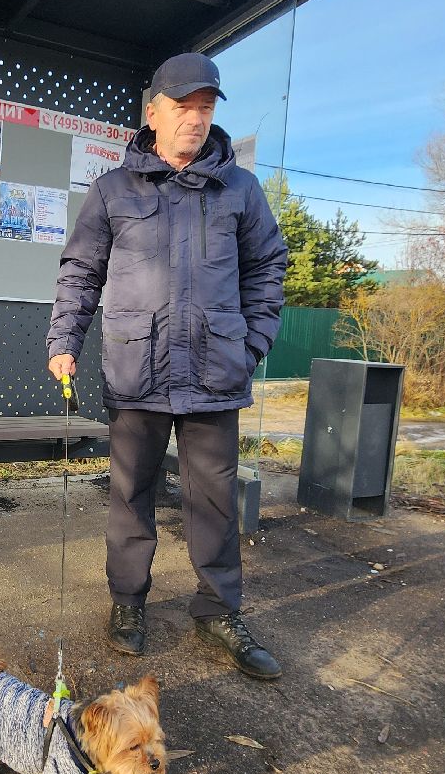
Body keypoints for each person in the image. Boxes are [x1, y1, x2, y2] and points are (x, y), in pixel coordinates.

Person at [46, 52, 288, 679]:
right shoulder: (112, 191)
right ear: (152, 112)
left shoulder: (241, 190)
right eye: (183, 107)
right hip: (138, 373)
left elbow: (268, 269)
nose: (195, 120)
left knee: (214, 500)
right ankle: (128, 605)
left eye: (206, 108)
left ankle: (218, 612)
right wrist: (62, 341)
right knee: (132, 496)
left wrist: (253, 342)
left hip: (215, 374)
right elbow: (81, 273)